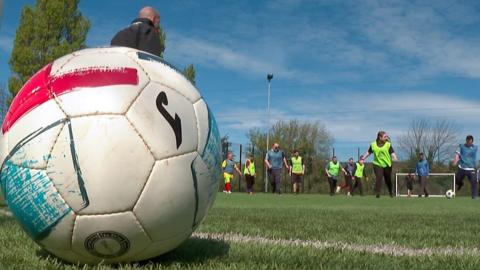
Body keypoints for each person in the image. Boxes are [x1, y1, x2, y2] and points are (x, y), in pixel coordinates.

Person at [362, 131, 398, 198]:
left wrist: (394, 157)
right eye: (385, 137)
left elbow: (392, 153)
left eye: (386, 136)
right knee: (379, 177)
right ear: (380, 137)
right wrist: (363, 158)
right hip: (377, 164)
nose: (386, 138)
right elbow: (369, 152)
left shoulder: (388, 144)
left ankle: (390, 191)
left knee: (388, 179)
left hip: (387, 165)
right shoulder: (373, 145)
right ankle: (378, 193)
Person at [453, 135, 478, 199]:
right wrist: (455, 161)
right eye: (468, 141)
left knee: (474, 182)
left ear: (472, 141)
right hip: (462, 167)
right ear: (466, 140)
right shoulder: (461, 146)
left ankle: (474, 196)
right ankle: (461, 184)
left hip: (471, 168)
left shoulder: (475, 147)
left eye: (470, 141)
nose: (469, 142)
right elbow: (457, 154)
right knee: (457, 181)